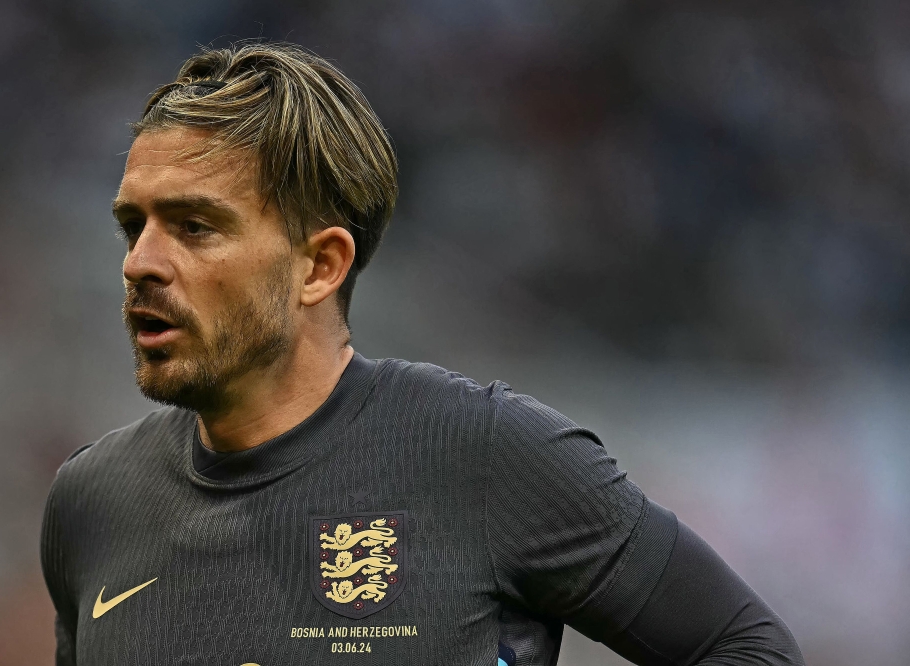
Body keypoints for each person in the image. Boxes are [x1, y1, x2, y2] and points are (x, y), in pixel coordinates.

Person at [40, 41, 804, 666]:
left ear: (320, 266)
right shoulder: (90, 502)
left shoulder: (483, 453)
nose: (139, 261)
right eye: (131, 225)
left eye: (194, 226)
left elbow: (746, 650)